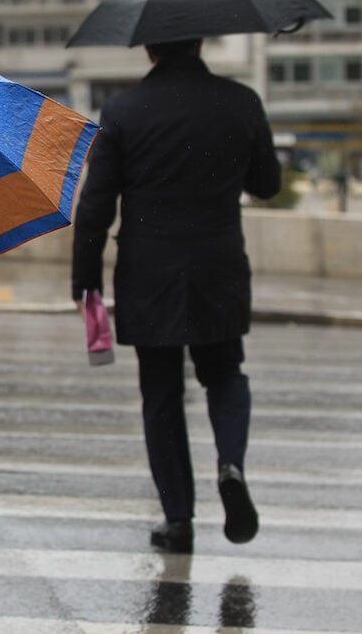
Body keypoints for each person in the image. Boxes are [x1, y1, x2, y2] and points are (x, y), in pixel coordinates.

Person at [71, 38, 280, 554]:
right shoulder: (240, 101)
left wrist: (86, 276)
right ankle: (230, 463)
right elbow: (269, 184)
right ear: (200, 41)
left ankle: (179, 520)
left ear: (149, 48)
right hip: (219, 264)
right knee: (225, 373)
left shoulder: (123, 110)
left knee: (162, 395)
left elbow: (98, 203)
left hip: (150, 272)